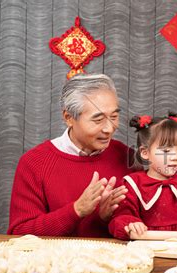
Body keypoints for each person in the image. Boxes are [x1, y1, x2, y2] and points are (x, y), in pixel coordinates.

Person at [8, 74, 138, 237]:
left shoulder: (127, 157)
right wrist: (76, 210)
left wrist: (104, 217)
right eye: (98, 120)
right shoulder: (34, 162)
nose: (109, 128)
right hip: (54, 261)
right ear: (69, 118)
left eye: (114, 117)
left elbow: (141, 227)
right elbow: (19, 234)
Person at [109, 112, 177, 240]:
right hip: (146, 248)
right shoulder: (132, 184)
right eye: (166, 151)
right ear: (145, 152)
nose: (175, 157)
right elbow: (121, 215)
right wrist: (131, 224)